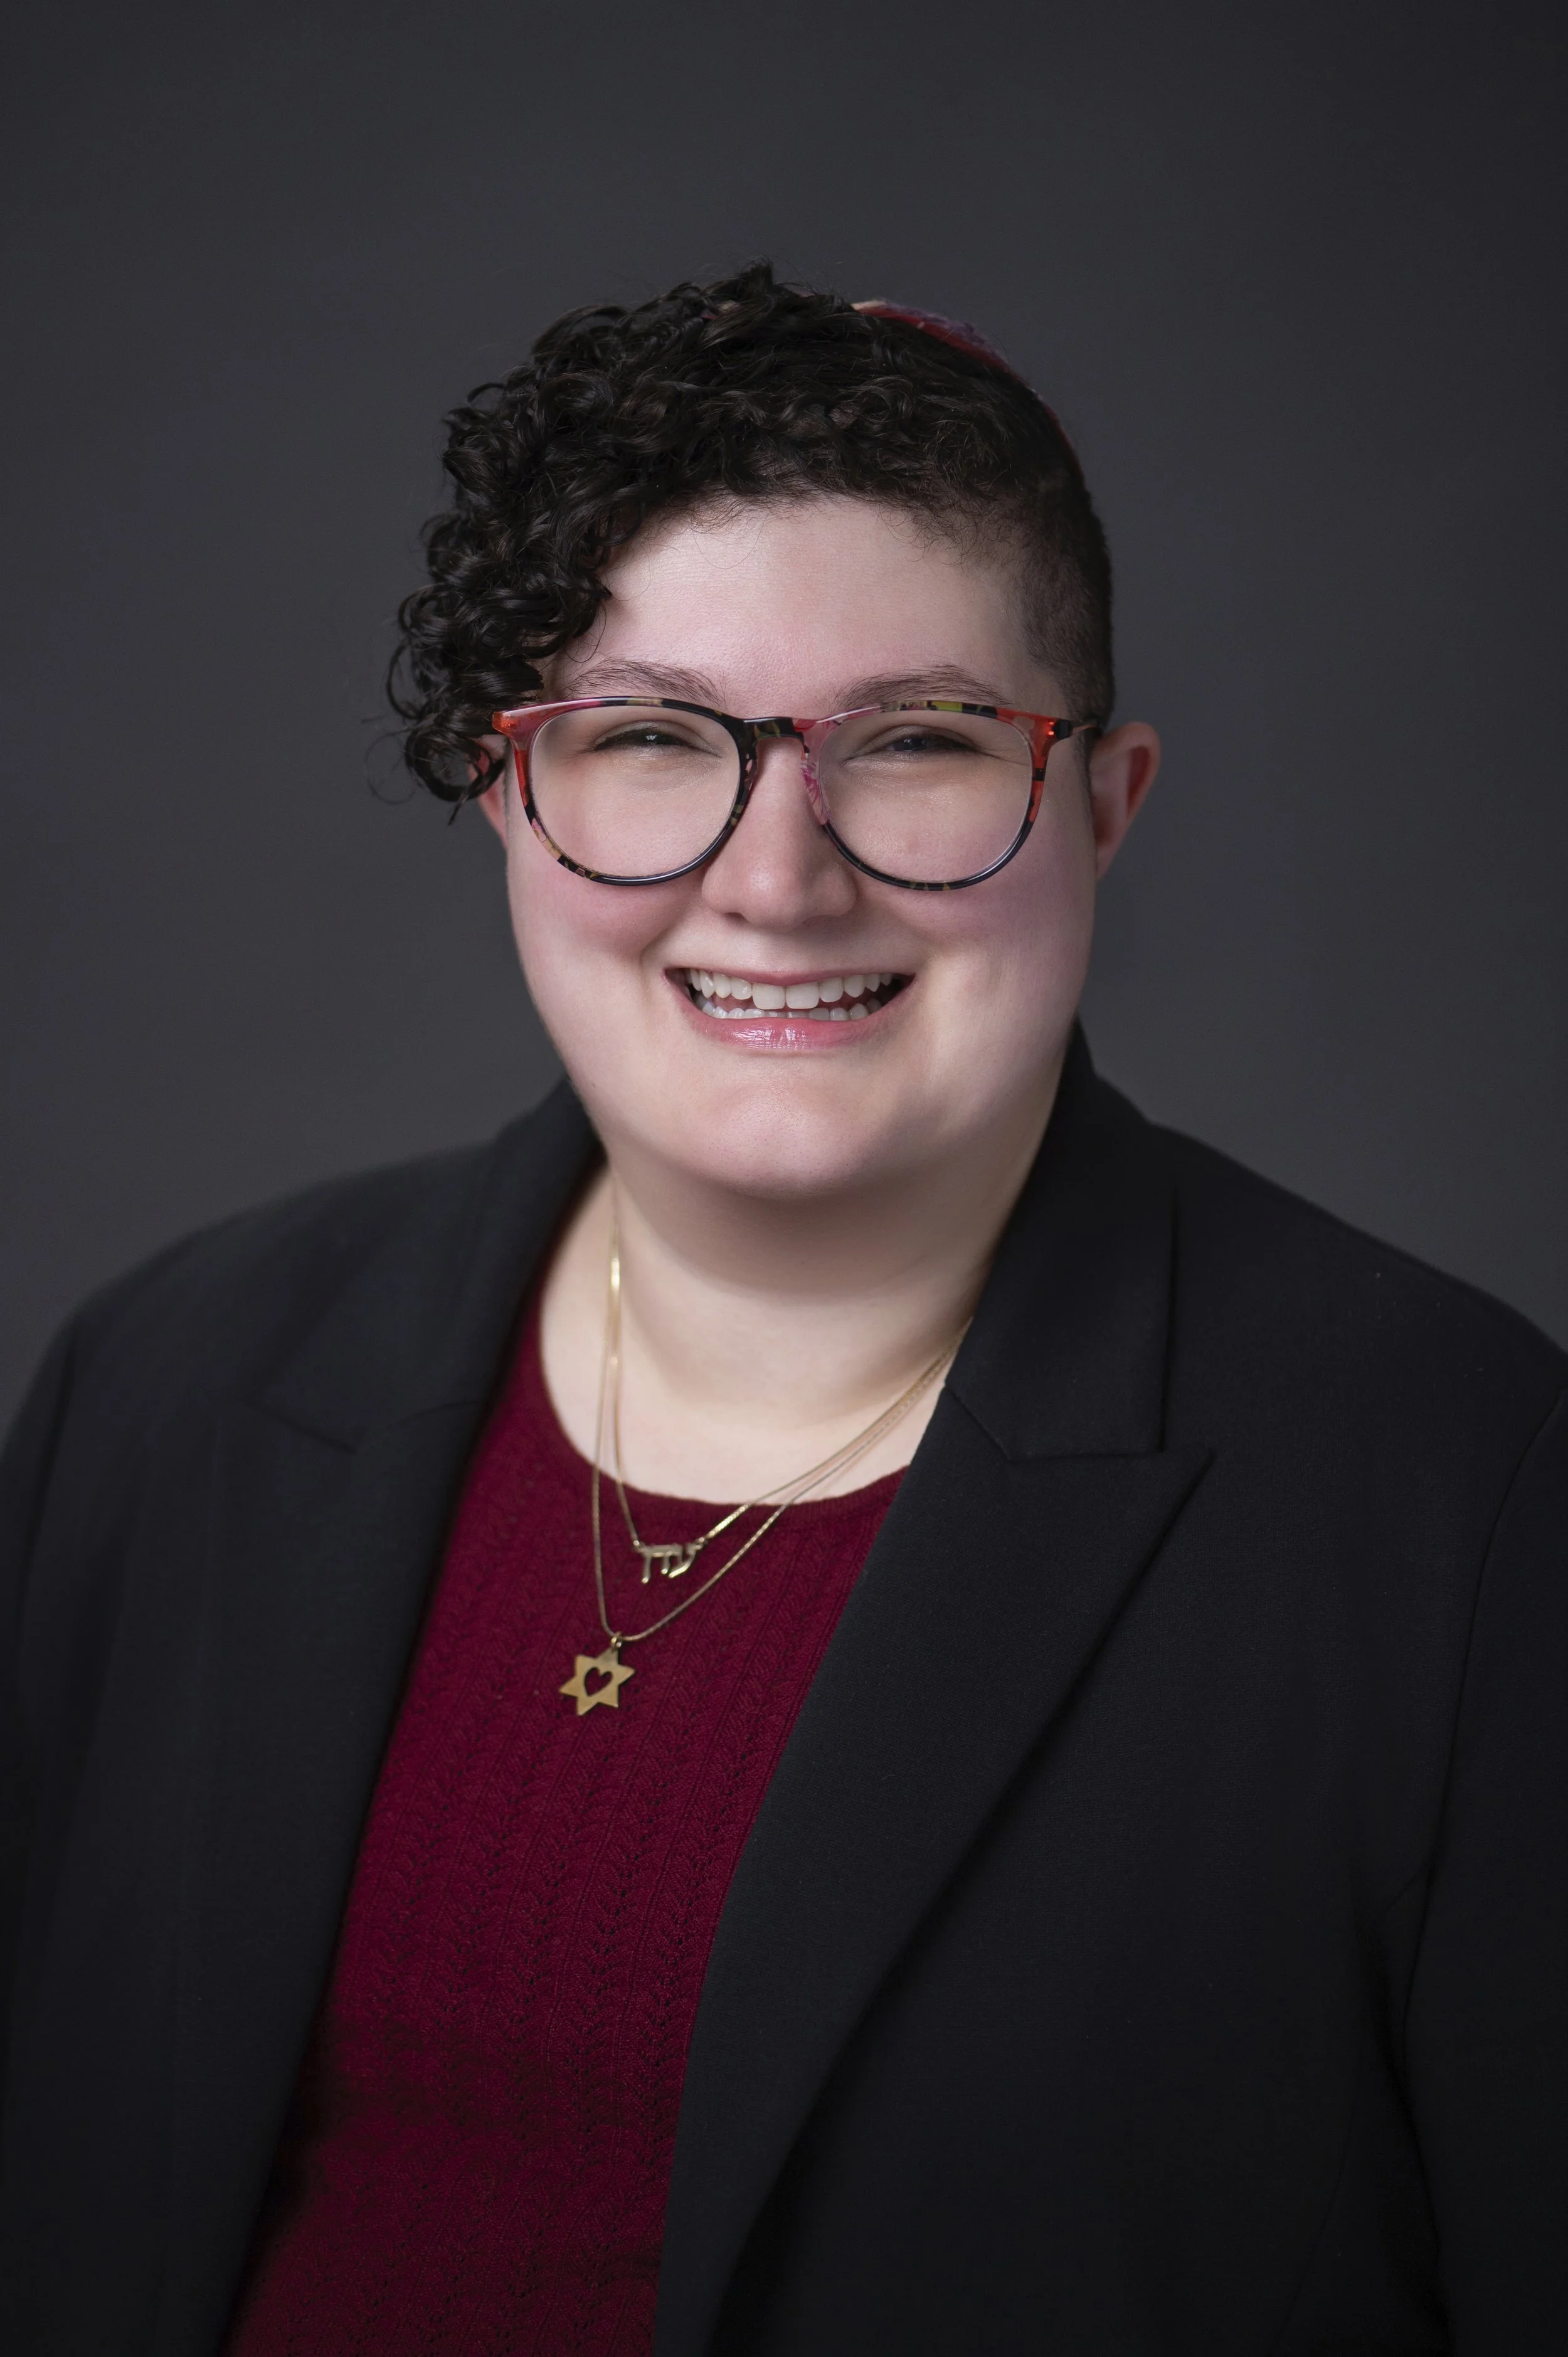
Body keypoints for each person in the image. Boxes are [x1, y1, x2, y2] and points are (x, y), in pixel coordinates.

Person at [0, 262, 1562, 2357]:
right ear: (506, 796)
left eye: (913, 744)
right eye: (649, 739)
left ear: (1106, 805)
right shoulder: (163, 1387)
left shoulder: (1467, 1506)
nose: (775, 874)